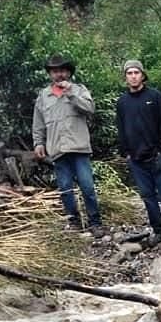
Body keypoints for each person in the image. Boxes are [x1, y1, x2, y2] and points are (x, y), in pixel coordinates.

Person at [116, 60, 161, 250]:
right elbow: (121, 128)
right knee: (148, 197)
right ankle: (158, 231)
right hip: (136, 159)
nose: (133, 76)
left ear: (143, 75)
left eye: (136, 73)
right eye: (129, 73)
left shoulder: (154, 96)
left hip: (157, 156)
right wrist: (126, 153)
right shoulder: (122, 102)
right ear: (125, 77)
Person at [32, 54, 103, 235]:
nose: (59, 75)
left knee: (87, 186)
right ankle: (74, 221)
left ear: (69, 73)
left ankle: (95, 223)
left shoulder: (79, 90)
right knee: (65, 189)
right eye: (55, 72)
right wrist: (38, 143)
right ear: (50, 74)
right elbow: (38, 123)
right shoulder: (43, 96)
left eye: (62, 71)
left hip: (79, 148)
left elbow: (90, 109)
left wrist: (70, 93)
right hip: (57, 150)